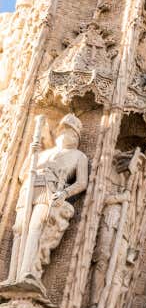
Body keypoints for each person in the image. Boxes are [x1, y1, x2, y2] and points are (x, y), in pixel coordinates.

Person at [8, 114, 90, 283]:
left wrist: (65, 193)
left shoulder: (79, 156)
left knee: (36, 226)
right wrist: (32, 153)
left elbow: (82, 183)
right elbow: (23, 175)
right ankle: (12, 276)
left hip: (50, 190)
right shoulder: (44, 152)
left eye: (70, 132)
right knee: (19, 228)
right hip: (30, 187)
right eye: (63, 130)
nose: (65, 134)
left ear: (76, 137)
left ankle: (27, 272)